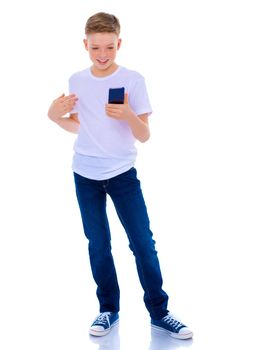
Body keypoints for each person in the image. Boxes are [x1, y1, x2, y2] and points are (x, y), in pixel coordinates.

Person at [47, 12, 193, 340]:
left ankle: (160, 312)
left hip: (122, 174)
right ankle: (108, 310)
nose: (102, 54)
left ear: (119, 43)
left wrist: (127, 113)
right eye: (95, 47)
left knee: (143, 243)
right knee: (98, 243)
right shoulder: (77, 80)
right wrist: (55, 117)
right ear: (85, 44)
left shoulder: (133, 80)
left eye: (109, 47)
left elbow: (144, 135)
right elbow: (79, 125)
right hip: (85, 174)